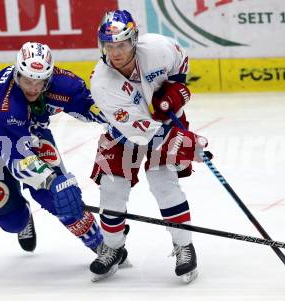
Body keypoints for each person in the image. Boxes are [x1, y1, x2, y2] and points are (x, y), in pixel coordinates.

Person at [88, 10, 209, 283]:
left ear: (133, 41)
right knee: (112, 188)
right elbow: (143, 133)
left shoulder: (158, 48)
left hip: (162, 120)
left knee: (163, 182)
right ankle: (113, 247)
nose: (115, 53)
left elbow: (181, 60)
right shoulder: (102, 83)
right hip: (124, 131)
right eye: (109, 46)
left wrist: (177, 90)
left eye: (121, 45)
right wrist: (188, 145)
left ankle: (184, 246)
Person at [0, 42, 108, 256]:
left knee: (59, 197)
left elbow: (89, 107)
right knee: (12, 221)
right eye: (27, 80)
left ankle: (101, 245)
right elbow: (19, 163)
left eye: (40, 82)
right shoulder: (6, 107)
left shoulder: (62, 84)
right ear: (17, 73)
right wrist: (52, 180)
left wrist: (120, 121)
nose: (34, 88)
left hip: (31, 131)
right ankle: (24, 216)